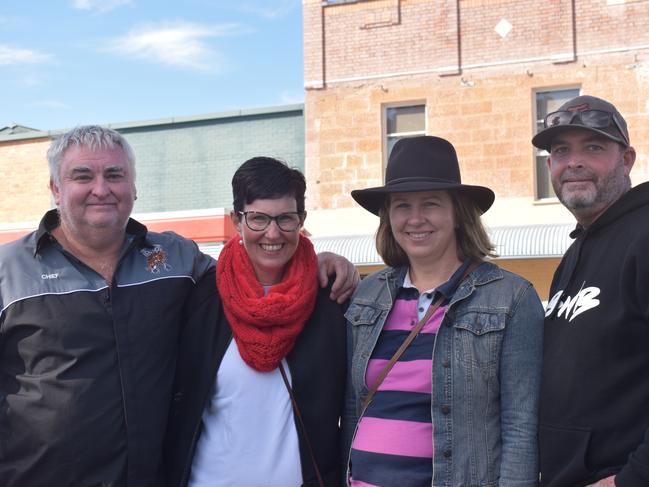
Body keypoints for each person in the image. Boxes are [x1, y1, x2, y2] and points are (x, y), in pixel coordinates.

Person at [0, 126, 358, 487]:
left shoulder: (175, 261)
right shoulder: (8, 272)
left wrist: (319, 262)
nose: (101, 188)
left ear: (134, 187)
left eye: (115, 175)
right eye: (83, 176)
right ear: (55, 188)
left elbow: (253, 274)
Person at [343, 135, 544, 487]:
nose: (415, 219)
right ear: (388, 217)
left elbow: (520, 427)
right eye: (402, 205)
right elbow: (351, 409)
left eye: (431, 204)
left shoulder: (510, 299)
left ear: (458, 214)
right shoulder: (366, 295)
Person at [164, 156, 346, 487]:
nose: (272, 233)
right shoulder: (201, 299)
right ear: (237, 220)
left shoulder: (330, 301)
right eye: (258, 218)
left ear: (301, 220)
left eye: (285, 219)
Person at [532, 95, 649, 487]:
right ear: (550, 166)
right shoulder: (577, 250)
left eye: (593, 147)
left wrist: (632, 479)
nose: (574, 161)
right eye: (561, 151)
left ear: (627, 159)